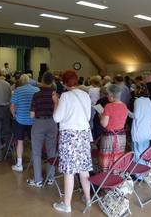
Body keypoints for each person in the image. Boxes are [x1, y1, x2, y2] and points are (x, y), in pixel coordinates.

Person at [52, 70, 92, 213]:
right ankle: (88, 200)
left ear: (64, 82)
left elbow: (56, 118)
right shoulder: (85, 95)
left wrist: (56, 102)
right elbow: (88, 116)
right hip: (83, 136)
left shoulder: (65, 97)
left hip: (69, 137)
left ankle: (66, 204)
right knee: (84, 169)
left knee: (69, 171)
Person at [27, 72, 58, 187]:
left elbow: (31, 115)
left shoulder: (37, 95)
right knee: (51, 151)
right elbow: (58, 111)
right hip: (52, 122)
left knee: (36, 152)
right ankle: (51, 178)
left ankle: (38, 180)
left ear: (42, 81)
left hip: (39, 123)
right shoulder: (55, 95)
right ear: (52, 81)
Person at [11, 74, 39, 172]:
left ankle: (19, 164)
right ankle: (35, 163)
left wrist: (14, 115)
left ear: (21, 81)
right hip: (33, 121)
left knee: (20, 141)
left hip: (20, 120)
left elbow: (12, 106)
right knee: (34, 142)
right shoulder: (36, 90)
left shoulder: (18, 90)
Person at [128, 82, 151, 183]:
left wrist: (127, 111)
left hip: (139, 131)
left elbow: (136, 116)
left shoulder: (138, 101)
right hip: (147, 130)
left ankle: (139, 175)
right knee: (145, 152)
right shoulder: (148, 100)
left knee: (138, 153)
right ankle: (146, 171)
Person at [99, 84, 128, 171]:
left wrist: (101, 116)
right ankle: (116, 174)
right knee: (118, 156)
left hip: (109, 136)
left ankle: (106, 177)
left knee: (107, 158)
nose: (107, 96)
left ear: (112, 96)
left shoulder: (108, 106)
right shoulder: (124, 106)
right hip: (121, 136)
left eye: (107, 94)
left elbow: (104, 124)